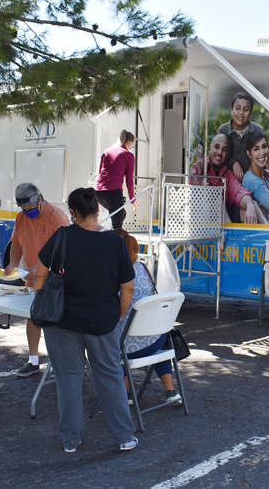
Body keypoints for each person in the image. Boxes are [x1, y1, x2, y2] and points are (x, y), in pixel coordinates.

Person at [34, 187, 138, 453]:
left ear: (72, 212)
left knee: (68, 378)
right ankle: (124, 436)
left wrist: (42, 298)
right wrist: (120, 314)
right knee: (110, 376)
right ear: (98, 210)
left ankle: (71, 438)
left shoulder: (63, 236)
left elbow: (39, 275)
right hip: (103, 321)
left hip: (62, 321)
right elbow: (128, 287)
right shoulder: (114, 242)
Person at [5, 183, 69, 377]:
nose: (27, 212)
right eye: (24, 209)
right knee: (34, 317)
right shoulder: (21, 217)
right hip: (33, 279)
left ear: (39, 199)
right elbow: (16, 243)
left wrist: (42, 268)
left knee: (57, 321)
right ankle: (33, 361)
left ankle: (63, 364)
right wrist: (13, 264)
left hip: (56, 279)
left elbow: (65, 252)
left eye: (31, 208)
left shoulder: (57, 217)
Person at [113, 229, 182, 405]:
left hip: (128, 346)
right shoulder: (143, 268)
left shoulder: (113, 273)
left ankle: (127, 393)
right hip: (155, 340)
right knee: (156, 334)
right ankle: (171, 391)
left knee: (110, 344)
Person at [189, 133, 268, 224]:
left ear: (227, 155)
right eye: (217, 147)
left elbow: (239, 191)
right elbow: (194, 190)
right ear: (210, 148)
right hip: (199, 223)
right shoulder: (199, 167)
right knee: (218, 200)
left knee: (251, 204)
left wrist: (250, 205)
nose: (219, 152)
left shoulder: (228, 175)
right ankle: (228, 236)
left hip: (221, 225)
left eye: (224, 150)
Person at [216, 92, 264, 181]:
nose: (241, 113)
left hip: (252, 180)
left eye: (246, 109)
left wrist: (264, 169)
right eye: (238, 108)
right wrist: (233, 163)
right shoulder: (223, 130)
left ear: (250, 113)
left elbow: (261, 153)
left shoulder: (257, 130)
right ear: (231, 110)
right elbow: (217, 156)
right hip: (229, 180)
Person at [95, 129, 136, 229]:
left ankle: (109, 236)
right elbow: (129, 180)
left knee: (121, 214)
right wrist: (132, 199)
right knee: (117, 227)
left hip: (98, 192)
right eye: (133, 146)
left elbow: (100, 172)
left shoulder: (107, 151)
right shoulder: (128, 155)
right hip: (113, 192)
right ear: (130, 142)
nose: (132, 148)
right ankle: (112, 241)